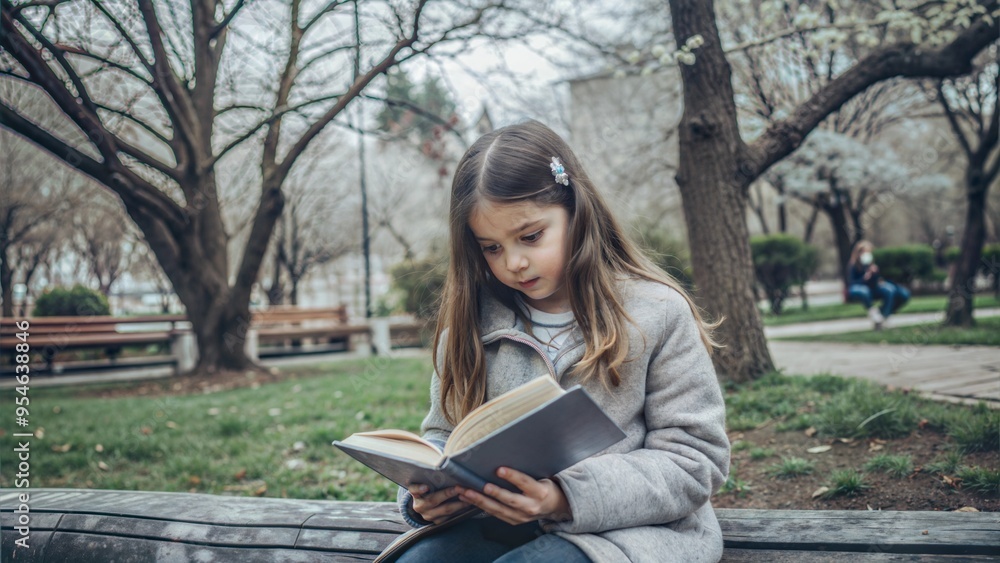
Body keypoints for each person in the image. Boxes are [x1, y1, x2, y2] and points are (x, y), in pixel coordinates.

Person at [394, 120, 730, 563]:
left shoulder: (656, 312)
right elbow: (442, 437)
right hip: (491, 524)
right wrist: (425, 495)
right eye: (491, 248)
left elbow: (695, 462)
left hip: (626, 533)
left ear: (576, 210)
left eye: (531, 237)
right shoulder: (468, 328)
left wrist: (564, 497)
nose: (514, 261)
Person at [846, 240, 910, 330]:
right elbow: (852, 283)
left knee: (890, 290)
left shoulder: (872, 265)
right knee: (864, 291)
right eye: (864, 252)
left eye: (868, 252)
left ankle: (883, 316)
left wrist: (874, 275)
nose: (867, 255)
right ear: (858, 253)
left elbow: (877, 282)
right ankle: (873, 312)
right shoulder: (853, 266)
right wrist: (864, 278)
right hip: (861, 289)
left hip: (873, 288)